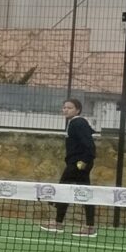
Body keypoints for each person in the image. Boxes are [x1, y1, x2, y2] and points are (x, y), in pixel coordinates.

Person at [42, 97, 98, 238]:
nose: (66, 110)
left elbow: (90, 146)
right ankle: (62, 223)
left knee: (66, 191)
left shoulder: (78, 123)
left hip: (78, 164)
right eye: (64, 107)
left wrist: (82, 163)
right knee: (74, 192)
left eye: (69, 108)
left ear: (77, 110)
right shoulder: (73, 123)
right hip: (75, 163)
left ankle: (66, 224)